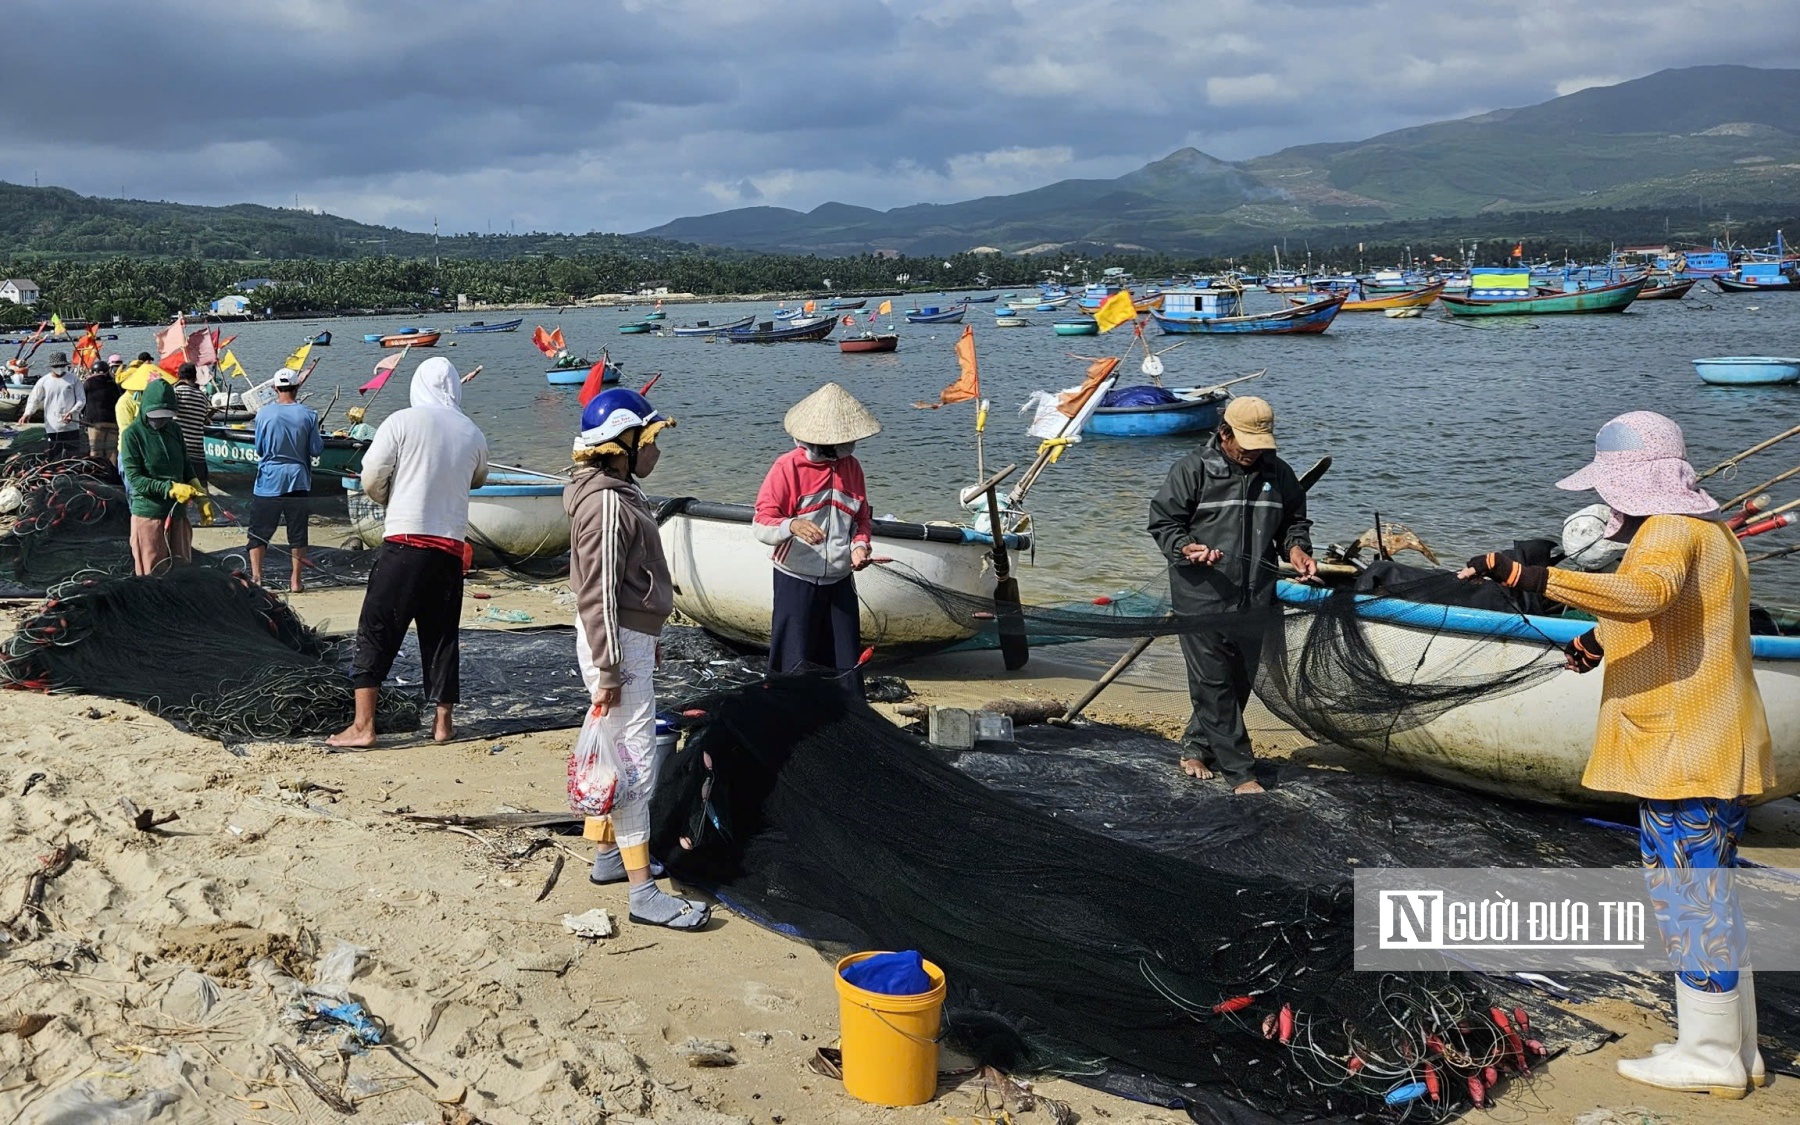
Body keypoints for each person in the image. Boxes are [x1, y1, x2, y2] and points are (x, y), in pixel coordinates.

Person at [1462, 411, 1772, 1099]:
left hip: (1684, 747)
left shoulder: (1664, 531)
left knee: (1686, 894)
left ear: (1631, 484)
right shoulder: (1711, 530)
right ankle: (1731, 1045)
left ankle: (1711, 1053)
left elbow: (1646, 592)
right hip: (1718, 738)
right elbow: (1676, 612)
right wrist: (1598, 642)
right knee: (1710, 893)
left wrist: (1529, 575)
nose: (1608, 505)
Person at [564, 388, 710, 930]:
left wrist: (648, 633)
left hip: (628, 638)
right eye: (648, 440)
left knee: (618, 753)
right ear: (620, 445)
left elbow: (624, 584)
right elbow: (597, 592)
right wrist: (608, 668)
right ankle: (643, 892)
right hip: (615, 644)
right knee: (632, 764)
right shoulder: (606, 502)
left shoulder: (614, 491)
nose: (656, 451)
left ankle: (608, 856)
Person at [1147, 396, 1317, 795]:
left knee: (1237, 682)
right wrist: (1185, 547)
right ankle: (1241, 772)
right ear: (1224, 434)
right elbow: (1163, 522)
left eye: (1261, 446)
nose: (1252, 454)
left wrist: (1296, 548)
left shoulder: (1279, 473)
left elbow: (1294, 520)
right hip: (1201, 595)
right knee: (1213, 683)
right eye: (1246, 445)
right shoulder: (1193, 470)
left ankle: (1196, 746)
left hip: (1257, 594)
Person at [328, 357, 488, 749]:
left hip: (405, 545)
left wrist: (390, 497)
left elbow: (370, 476)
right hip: (450, 549)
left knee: (377, 630)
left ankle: (363, 726)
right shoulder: (472, 432)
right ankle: (443, 724)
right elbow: (478, 478)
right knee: (441, 635)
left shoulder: (401, 421)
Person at [752, 382, 879, 681]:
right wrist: (792, 525)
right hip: (795, 578)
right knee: (792, 661)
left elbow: (862, 520)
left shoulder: (853, 468)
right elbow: (761, 523)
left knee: (845, 664)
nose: (842, 448)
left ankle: (844, 719)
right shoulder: (787, 468)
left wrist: (860, 547)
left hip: (840, 580)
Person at [119, 379, 209, 574]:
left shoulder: (175, 430)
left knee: (182, 571)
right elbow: (135, 479)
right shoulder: (132, 435)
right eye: (156, 416)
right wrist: (170, 488)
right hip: (149, 514)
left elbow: (186, 465)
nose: (160, 421)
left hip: (178, 514)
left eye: (166, 417)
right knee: (152, 573)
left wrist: (199, 492)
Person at [248, 370, 323, 592]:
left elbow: (260, 449)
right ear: (297, 387)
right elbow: (315, 449)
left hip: (268, 482)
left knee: (258, 531)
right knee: (298, 533)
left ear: (275, 388)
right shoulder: (309, 414)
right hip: (297, 480)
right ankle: (296, 581)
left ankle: (257, 577)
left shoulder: (263, 413)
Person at [21, 351, 85, 458]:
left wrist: (72, 412)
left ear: (65, 365)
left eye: (61, 365)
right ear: (51, 366)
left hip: (71, 426)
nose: (59, 368)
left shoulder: (73, 379)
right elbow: (34, 399)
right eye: (56, 366)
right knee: (54, 455)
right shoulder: (44, 381)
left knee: (73, 455)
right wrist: (28, 413)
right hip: (52, 426)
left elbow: (81, 400)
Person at [170, 363, 213, 491]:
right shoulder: (203, 397)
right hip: (198, 453)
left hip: (179, 451)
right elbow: (204, 420)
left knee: (179, 492)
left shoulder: (176, 393)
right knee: (199, 492)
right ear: (195, 377)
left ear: (179, 376)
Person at [83, 359, 123, 463]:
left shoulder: (88, 383)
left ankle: (98, 474)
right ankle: (113, 475)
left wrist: (83, 415)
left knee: (96, 451)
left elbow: (82, 401)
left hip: (95, 422)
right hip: (113, 422)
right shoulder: (114, 384)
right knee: (112, 451)